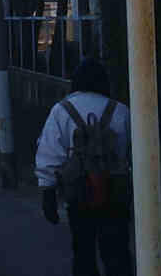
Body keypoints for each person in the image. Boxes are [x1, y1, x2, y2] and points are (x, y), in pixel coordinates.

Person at [35, 59, 133, 276]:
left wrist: (48, 193)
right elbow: (132, 152)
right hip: (114, 190)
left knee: (83, 251)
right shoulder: (121, 111)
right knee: (116, 252)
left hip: (78, 190)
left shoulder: (62, 110)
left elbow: (49, 153)